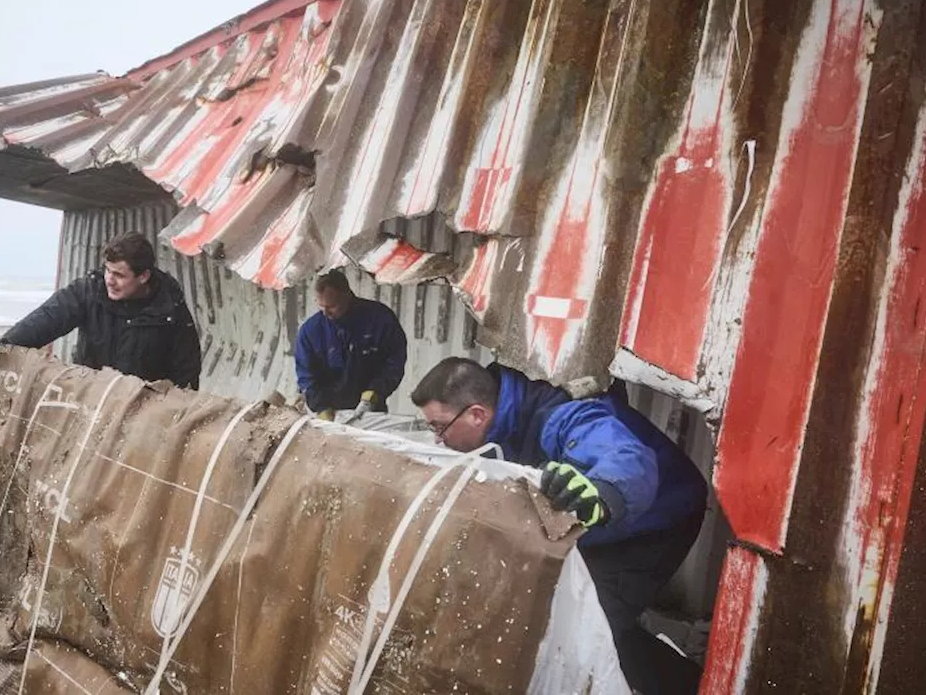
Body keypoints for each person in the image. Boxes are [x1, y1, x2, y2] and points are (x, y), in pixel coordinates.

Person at [410, 357, 707, 694]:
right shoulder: (499, 420)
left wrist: (600, 491)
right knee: (568, 616)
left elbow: (626, 456)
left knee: (592, 628)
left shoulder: (556, 413)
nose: (437, 439)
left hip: (653, 515)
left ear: (476, 414)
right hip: (602, 517)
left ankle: (690, 687)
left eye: (439, 427)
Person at [0, 232, 201, 389]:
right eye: (107, 271)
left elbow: (186, 371)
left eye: (119, 275)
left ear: (143, 276)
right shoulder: (89, 291)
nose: (109, 281)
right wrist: (6, 344)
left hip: (139, 413)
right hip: (90, 397)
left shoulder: (170, 308)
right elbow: (48, 318)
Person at [295, 269, 408, 420]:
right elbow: (306, 376)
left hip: (370, 408)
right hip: (329, 411)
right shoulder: (310, 331)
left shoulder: (380, 319)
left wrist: (375, 392)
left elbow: (395, 360)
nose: (326, 313)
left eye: (331, 306)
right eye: (321, 306)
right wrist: (320, 407)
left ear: (346, 295)